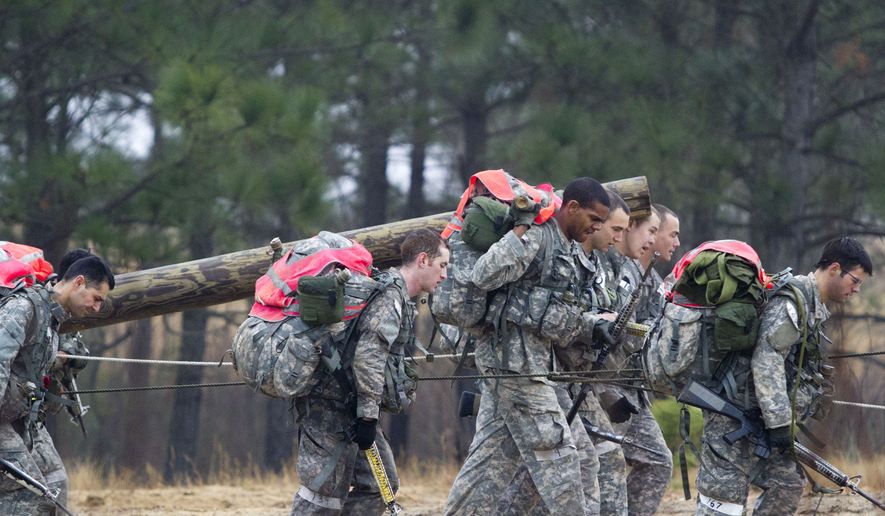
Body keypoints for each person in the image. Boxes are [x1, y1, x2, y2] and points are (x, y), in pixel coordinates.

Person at [444, 177, 612, 515]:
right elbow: (484, 275)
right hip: (514, 365)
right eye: (593, 219)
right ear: (573, 208)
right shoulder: (537, 232)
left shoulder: (564, 243)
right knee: (562, 456)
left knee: (490, 465)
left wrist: (591, 327)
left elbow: (547, 309)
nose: (596, 228)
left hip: (525, 363)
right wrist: (520, 232)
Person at [695, 237, 872, 516]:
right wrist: (779, 423)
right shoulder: (792, 302)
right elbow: (767, 360)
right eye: (856, 280)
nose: (857, 290)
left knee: (787, 483)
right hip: (733, 416)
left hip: (761, 419)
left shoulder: (811, 307)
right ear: (835, 268)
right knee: (725, 501)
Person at [290, 228, 450, 515]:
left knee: (380, 485)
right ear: (423, 260)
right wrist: (367, 416)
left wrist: (365, 416)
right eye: (443, 265)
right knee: (322, 495)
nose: (445, 274)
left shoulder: (397, 296)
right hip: (330, 407)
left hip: (354, 409)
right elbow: (369, 357)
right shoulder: (390, 297)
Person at [0, 255, 115, 515]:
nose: (97, 308)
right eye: (96, 298)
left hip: (19, 418)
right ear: (79, 282)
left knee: (55, 484)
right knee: (27, 493)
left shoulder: (52, 320)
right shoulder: (24, 308)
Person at [596, 205, 674, 516]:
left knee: (656, 460)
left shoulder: (643, 275)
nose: (655, 240)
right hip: (602, 385)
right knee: (595, 467)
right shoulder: (612, 265)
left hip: (628, 387)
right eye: (652, 231)